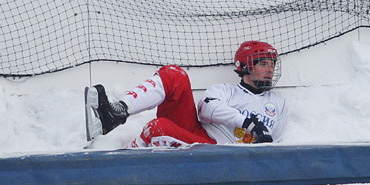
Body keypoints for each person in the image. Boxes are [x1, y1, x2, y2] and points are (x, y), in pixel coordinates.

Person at [84, 41, 289, 148]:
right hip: (199, 134)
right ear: (244, 66)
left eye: (272, 64)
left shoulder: (279, 103)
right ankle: (117, 113)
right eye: (263, 63)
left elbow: (275, 142)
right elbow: (206, 109)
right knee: (175, 75)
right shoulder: (225, 91)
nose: (270, 69)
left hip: (219, 151)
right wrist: (247, 123)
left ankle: (124, 159)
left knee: (157, 128)